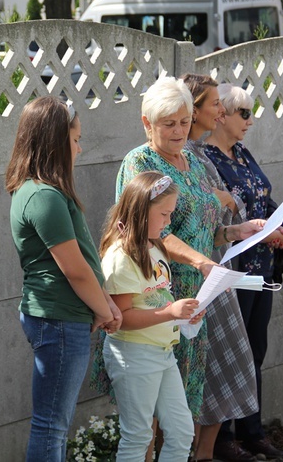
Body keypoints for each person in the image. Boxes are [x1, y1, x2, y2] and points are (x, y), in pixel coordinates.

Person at [115, 76, 264, 457]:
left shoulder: (193, 162)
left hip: (197, 297)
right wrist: (201, 262)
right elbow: (153, 232)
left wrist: (234, 231)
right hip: (158, 297)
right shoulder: (141, 162)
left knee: (184, 403)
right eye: (169, 124)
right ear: (147, 124)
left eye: (184, 121)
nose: (179, 130)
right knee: (149, 415)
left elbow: (204, 228)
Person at [5, 96, 122, 462]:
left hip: (63, 317)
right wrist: (105, 310)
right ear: (55, 141)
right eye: (74, 139)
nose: (80, 147)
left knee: (56, 422)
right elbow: (74, 269)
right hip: (57, 319)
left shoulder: (47, 193)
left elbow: (84, 258)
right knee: (51, 425)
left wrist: (105, 303)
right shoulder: (43, 196)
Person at [205, 83, 283, 460]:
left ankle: (252, 431)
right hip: (233, 270)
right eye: (245, 113)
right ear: (223, 116)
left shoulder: (242, 153)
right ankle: (221, 441)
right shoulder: (207, 159)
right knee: (228, 355)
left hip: (262, 269)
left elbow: (263, 203)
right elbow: (223, 215)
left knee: (254, 353)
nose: (251, 121)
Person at [181, 73, 267, 462]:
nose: (222, 111)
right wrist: (219, 201)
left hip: (222, 270)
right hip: (190, 278)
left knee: (229, 364)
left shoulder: (198, 156)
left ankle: (207, 452)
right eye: (216, 104)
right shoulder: (160, 158)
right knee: (185, 378)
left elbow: (221, 216)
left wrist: (234, 220)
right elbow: (173, 221)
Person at [99, 171, 204, 461]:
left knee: (182, 432)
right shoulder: (120, 256)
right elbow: (122, 318)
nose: (169, 221)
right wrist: (171, 312)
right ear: (141, 212)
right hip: (134, 354)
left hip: (161, 352)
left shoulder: (153, 244)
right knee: (138, 436)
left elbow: (158, 298)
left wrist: (183, 315)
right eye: (164, 214)